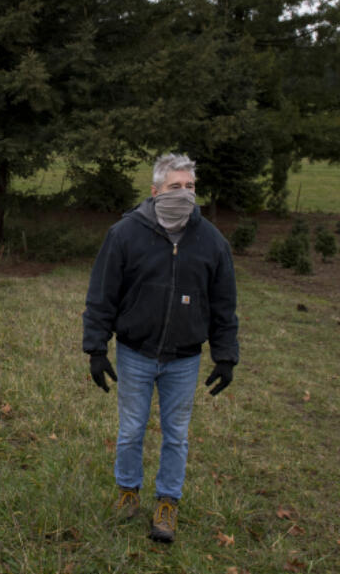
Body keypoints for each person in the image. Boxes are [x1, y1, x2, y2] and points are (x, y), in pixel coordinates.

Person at [81, 153, 239, 543]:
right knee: (132, 429)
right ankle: (127, 493)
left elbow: (223, 304)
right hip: (135, 353)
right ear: (154, 192)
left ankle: (167, 502)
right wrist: (96, 348)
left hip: (184, 359)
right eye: (175, 188)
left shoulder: (212, 242)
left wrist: (226, 355)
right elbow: (102, 295)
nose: (184, 195)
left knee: (177, 434)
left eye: (190, 187)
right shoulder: (125, 235)